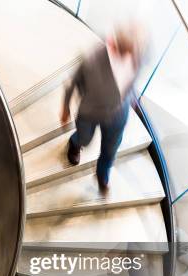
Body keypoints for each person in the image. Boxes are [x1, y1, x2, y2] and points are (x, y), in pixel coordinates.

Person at [62, 24, 146, 193]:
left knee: (111, 148)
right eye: (125, 51)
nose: (129, 56)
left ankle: (102, 174)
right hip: (91, 111)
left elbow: (130, 80)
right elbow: (73, 82)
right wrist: (65, 108)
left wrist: (131, 98)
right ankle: (75, 142)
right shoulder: (92, 59)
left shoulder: (136, 57)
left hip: (118, 114)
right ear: (112, 44)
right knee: (85, 138)